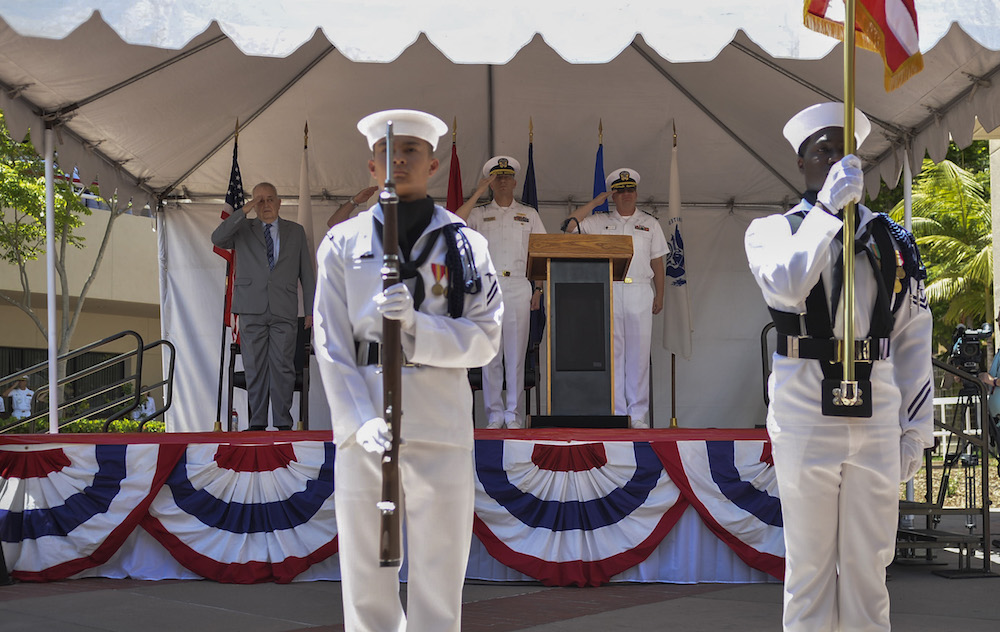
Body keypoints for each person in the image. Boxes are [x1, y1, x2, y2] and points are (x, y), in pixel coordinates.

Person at [744, 102, 933, 632]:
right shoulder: (772, 231)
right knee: (809, 569)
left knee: (870, 569)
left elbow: (914, 334)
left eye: (842, 150)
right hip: (805, 405)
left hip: (876, 407)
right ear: (801, 164)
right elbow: (786, 284)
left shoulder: (893, 240)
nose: (833, 161)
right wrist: (827, 213)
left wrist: (917, 429)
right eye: (821, 152)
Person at [313, 109, 502, 632]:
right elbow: (329, 341)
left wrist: (417, 326)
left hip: (439, 421)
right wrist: (355, 418)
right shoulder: (342, 244)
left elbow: (485, 337)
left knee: (440, 573)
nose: (397, 160)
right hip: (369, 422)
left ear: (434, 164)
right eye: (385, 153)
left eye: (410, 151)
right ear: (370, 169)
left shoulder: (465, 243)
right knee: (367, 571)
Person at [562, 168, 667, 428]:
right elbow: (568, 227)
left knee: (639, 355)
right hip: (609, 290)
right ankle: (619, 413)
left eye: (630, 190)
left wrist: (660, 295)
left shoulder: (650, 222)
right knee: (614, 355)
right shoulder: (599, 221)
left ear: (636, 193)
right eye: (620, 191)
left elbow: (657, 261)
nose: (627, 195)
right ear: (614, 195)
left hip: (640, 290)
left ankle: (638, 414)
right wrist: (596, 203)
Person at [211, 181, 316, 431]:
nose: (265, 205)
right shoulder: (243, 228)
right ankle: (257, 423)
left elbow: (307, 274)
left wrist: (311, 309)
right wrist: (244, 210)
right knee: (254, 368)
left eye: (270, 199)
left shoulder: (296, 231)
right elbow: (217, 238)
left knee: (282, 368)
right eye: (260, 200)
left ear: (279, 202)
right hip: (251, 307)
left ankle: (283, 422)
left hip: (284, 308)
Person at [454, 156, 546, 429]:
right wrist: (479, 192)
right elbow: (455, 220)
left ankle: (513, 414)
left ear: (515, 182)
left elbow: (539, 251)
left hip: (519, 284)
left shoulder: (528, 214)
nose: (503, 180)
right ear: (491, 182)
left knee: (516, 354)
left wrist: (538, 288)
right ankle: (494, 414)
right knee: (490, 354)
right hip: (488, 286)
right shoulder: (480, 213)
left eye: (507, 176)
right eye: (498, 177)